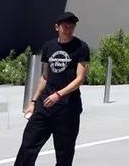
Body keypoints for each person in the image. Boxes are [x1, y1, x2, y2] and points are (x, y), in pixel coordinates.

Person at [15, 12, 90, 166]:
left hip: (67, 108)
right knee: (28, 145)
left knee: (64, 152)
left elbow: (80, 78)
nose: (69, 28)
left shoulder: (81, 47)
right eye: (65, 25)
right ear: (57, 27)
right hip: (45, 106)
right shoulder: (49, 46)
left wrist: (59, 94)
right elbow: (44, 77)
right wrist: (34, 102)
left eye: (72, 25)